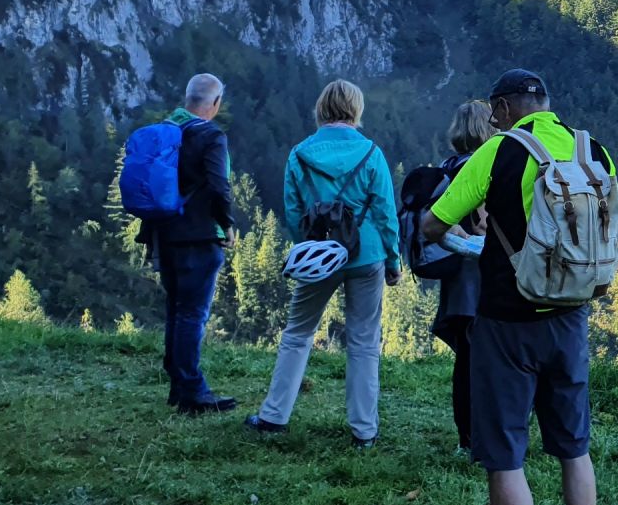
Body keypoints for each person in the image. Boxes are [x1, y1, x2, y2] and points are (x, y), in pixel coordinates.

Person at [421, 69, 618, 505]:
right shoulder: (593, 148)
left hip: (506, 324)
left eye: (494, 110)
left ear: (504, 107)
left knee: (504, 456)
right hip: (571, 319)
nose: (493, 118)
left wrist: (469, 236)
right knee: (573, 447)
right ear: (546, 104)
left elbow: (435, 224)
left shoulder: (498, 153)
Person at [245, 80, 401, 448]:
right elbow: (385, 213)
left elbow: (294, 210)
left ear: (321, 109)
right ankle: (364, 431)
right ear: (356, 109)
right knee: (363, 342)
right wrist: (393, 259)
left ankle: (273, 416)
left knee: (298, 333)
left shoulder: (300, 154)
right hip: (366, 256)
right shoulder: (371, 153)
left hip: (319, 256)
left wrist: (311, 251)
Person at [142, 73, 239, 415]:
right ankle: (192, 391)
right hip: (197, 236)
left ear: (187, 99)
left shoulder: (165, 130)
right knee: (192, 314)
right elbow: (218, 185)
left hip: (162, 234)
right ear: (215, 104)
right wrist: (227, 224)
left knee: (176, 309)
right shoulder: (211, 136)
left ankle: (178, 384)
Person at [432, 100, 495, 456]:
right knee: (484, 360)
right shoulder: (482, 168)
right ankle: (481, 439)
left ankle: (466, 438)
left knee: (465, 362)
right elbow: (484, 223)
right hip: (481, 277)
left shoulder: (446, 167)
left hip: (455, 277)